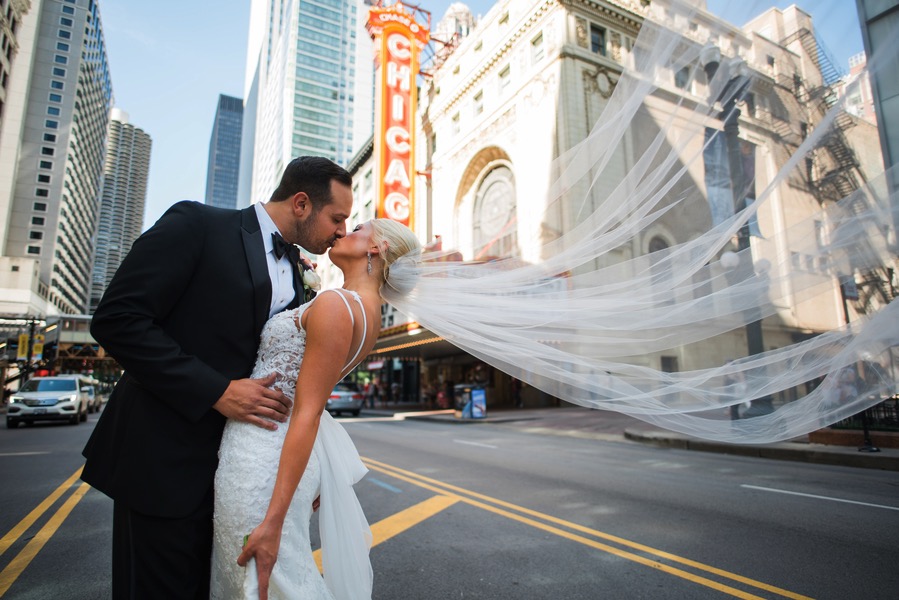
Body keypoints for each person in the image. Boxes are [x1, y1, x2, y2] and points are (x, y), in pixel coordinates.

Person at [81, 156, 353, 599]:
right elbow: (117, 319)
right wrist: (216, 390)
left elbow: (289, 378)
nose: (342, 230)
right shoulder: (197, 224)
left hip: (237, 477)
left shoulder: (302, 277)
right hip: (162, 462)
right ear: (301, 204)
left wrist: (307, 473)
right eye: (337, 217)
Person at [211, 218, 421, 599]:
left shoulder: (337, 305)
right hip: (271, 450)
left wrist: (273, 522)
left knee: (261, 577)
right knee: (259, 578)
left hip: (264, 455)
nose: (343, 232)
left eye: (357, 229)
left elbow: (308, 411)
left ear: (377, 248)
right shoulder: (365, 312)